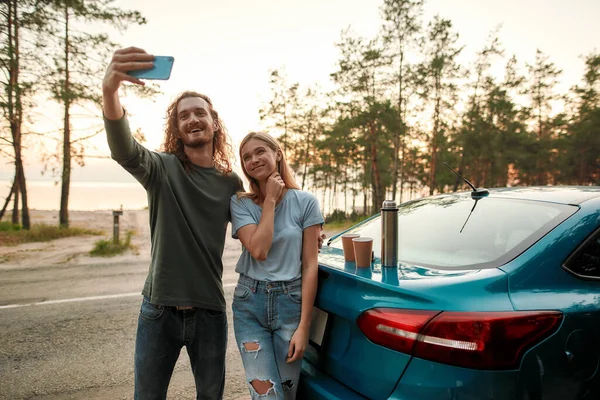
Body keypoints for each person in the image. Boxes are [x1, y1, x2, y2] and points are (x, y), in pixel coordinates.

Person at [102, 47, 243, 400]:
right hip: (158, 310)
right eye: (184, 116)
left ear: (214, 123)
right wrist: (110, 91)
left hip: (210, 312)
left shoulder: (231, 184)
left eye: (200, 113)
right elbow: (124, 150)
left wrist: (306, 230)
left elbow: (257, 234)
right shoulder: (161, 169)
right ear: (178, 129)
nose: (193, 119)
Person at [230, 132, 324, 399]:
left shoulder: (306, 202)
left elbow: (309, 266)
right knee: (266, 394)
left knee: (287, 392)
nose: (253, 159)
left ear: (277, 153)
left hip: (291, 305)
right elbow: (259, 249)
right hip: (250, 306)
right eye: (246, 157)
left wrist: (304, 326)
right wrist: (269, 200)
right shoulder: (241, 203)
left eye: (260, 152)